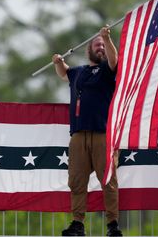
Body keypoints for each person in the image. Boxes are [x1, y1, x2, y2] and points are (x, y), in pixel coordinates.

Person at [52, 26, 122, 236]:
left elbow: (114, 59)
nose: (100, 48)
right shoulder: (79, 72)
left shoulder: (107, 71)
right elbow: (64, 73)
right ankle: (78, 224)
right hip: (79, 134)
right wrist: (58, 62)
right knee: (76, 180)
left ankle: (113, 226)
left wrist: (107, 38)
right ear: (88, 50)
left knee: (108, 180)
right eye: (97, 45)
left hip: (102, 133)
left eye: (102, 45)